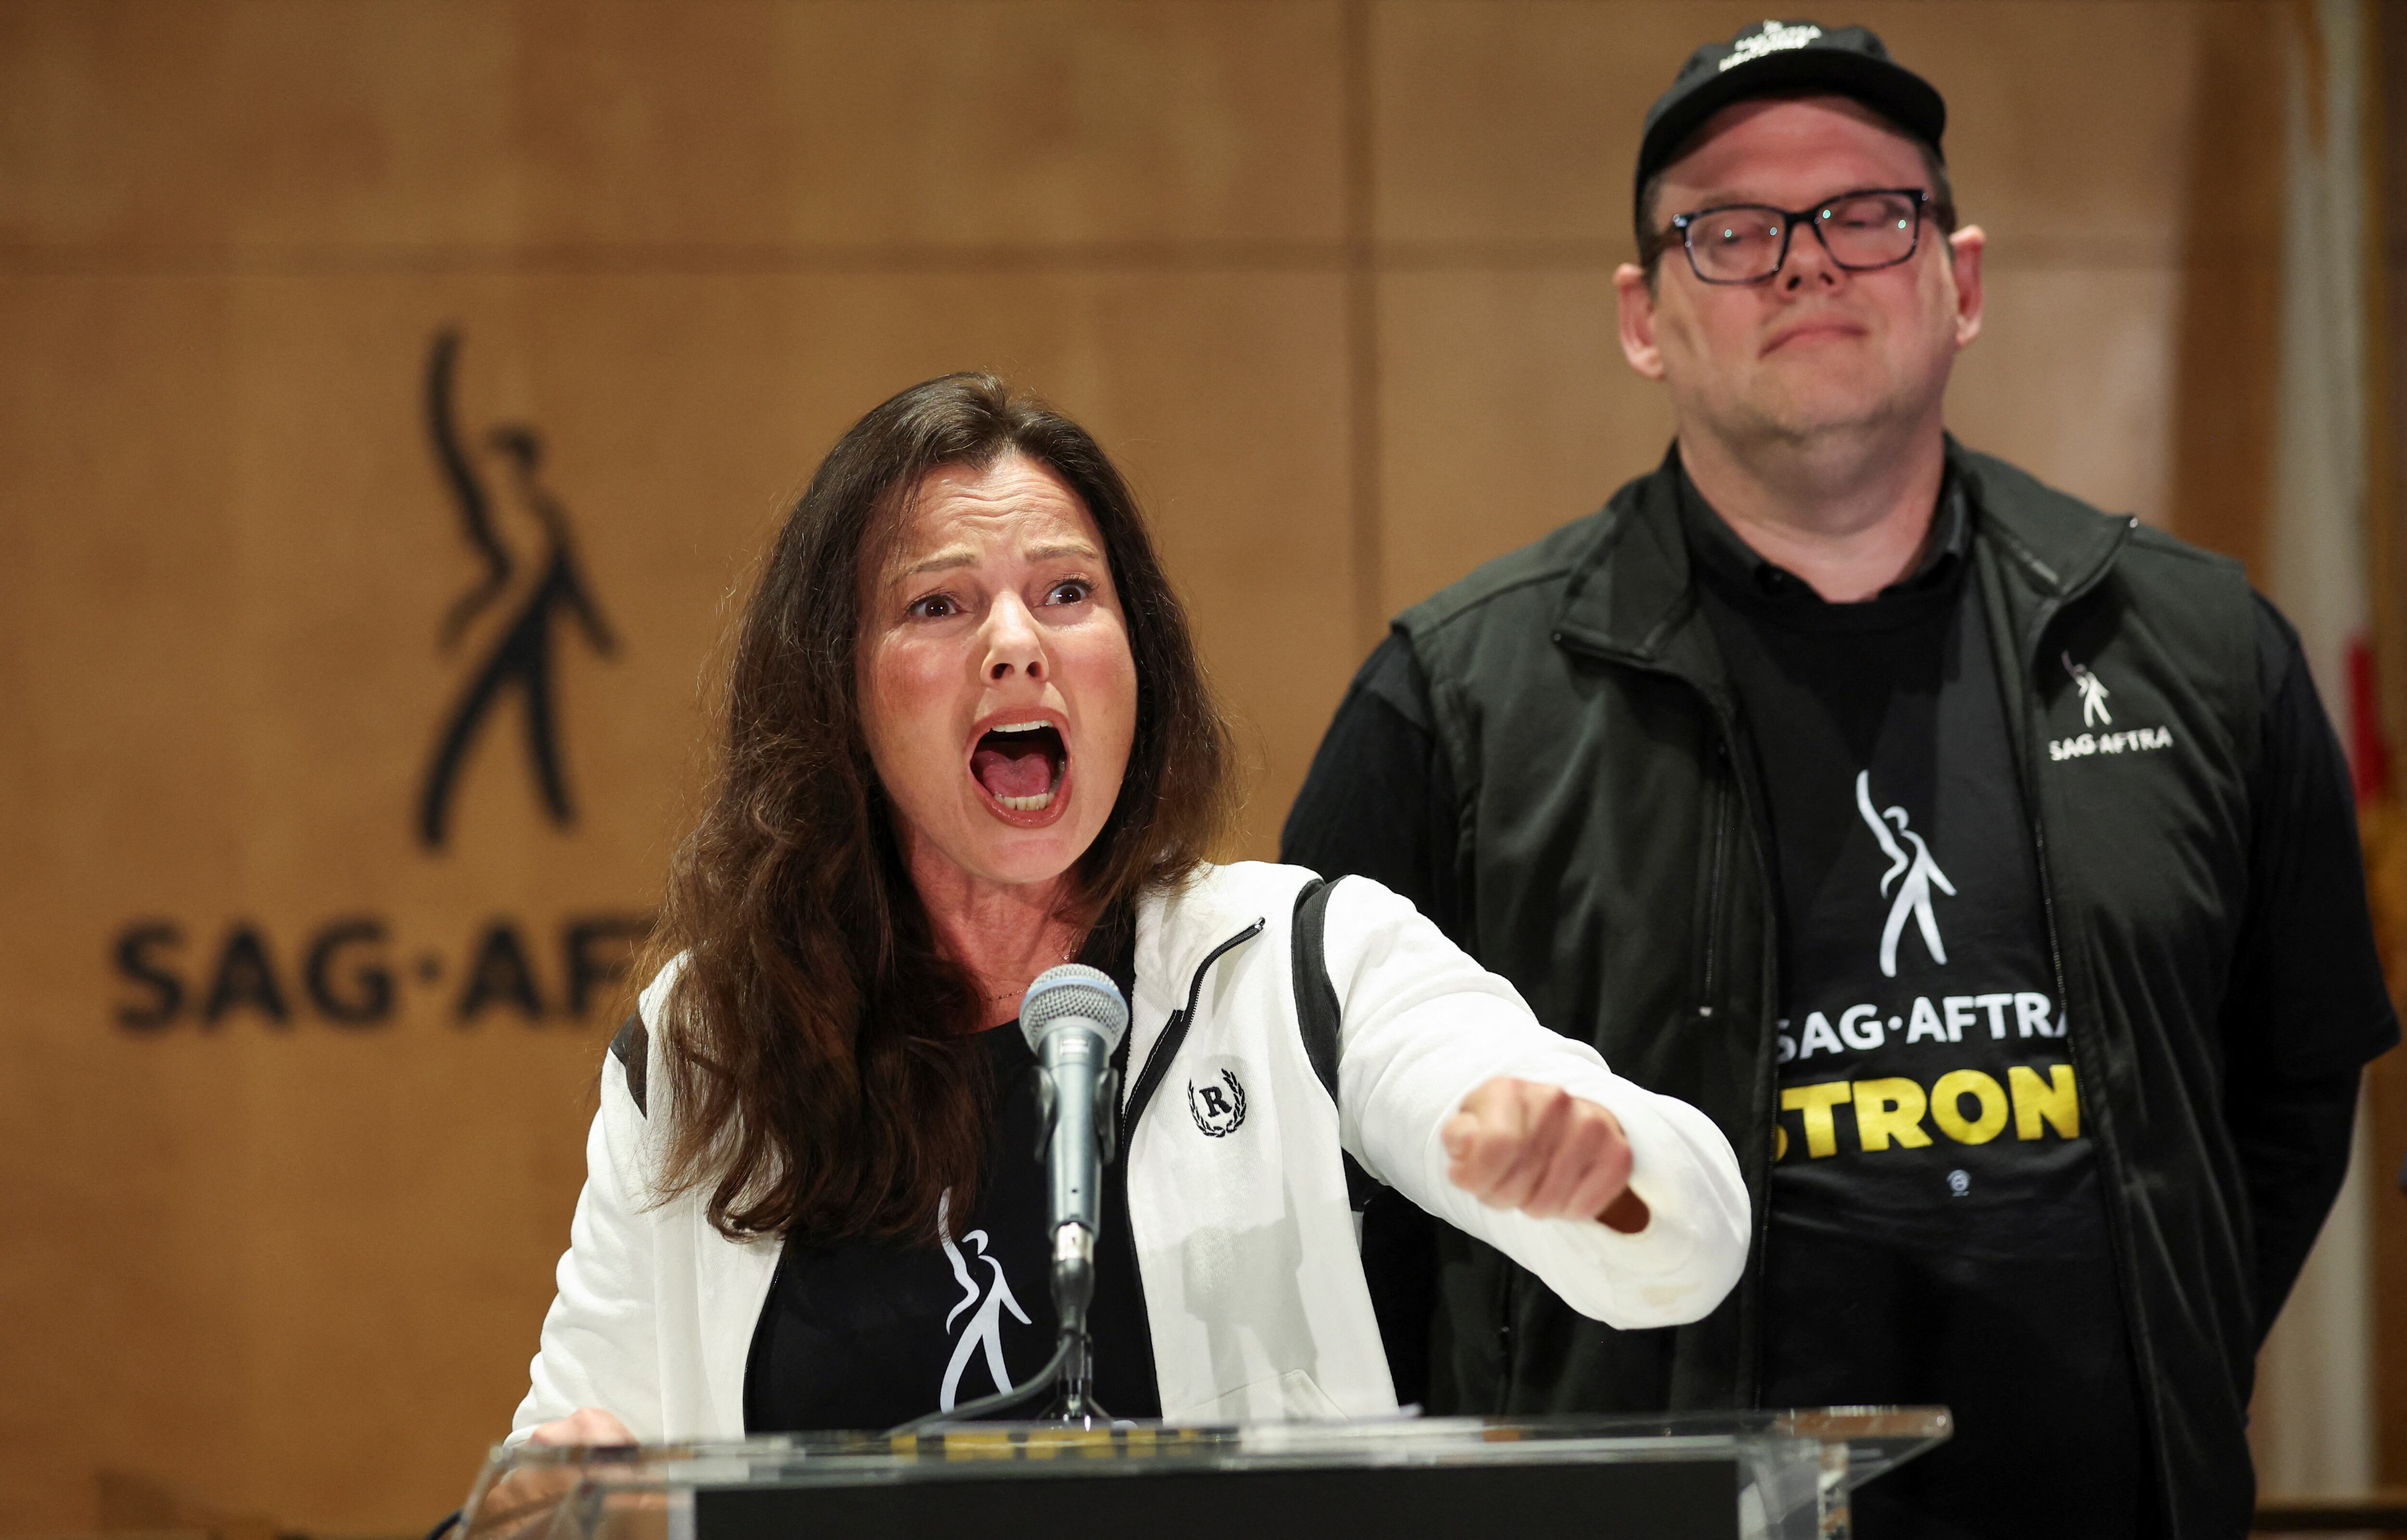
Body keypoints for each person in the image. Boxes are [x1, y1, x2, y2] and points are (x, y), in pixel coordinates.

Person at [1282, 20, 2398, 1540]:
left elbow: (2287, 1106)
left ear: (1964, 279)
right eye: (1730, 230)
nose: (1806, 263)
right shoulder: (1456, 706)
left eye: (1870, 212)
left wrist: (2172, 1343)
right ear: (1644, 317)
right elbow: (1313, 1153)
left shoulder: (2205, 653)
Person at [510, 372, 1747, 1449]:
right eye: (938, 605)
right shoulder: (712, 1042)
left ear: (1133, 659)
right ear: (838, 692)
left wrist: (1596, 1170)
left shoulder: (1295, 963)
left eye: (1065, 593)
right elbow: (564, 1476)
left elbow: (1684, 1247)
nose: (1015, 644)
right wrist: (570, 1483)